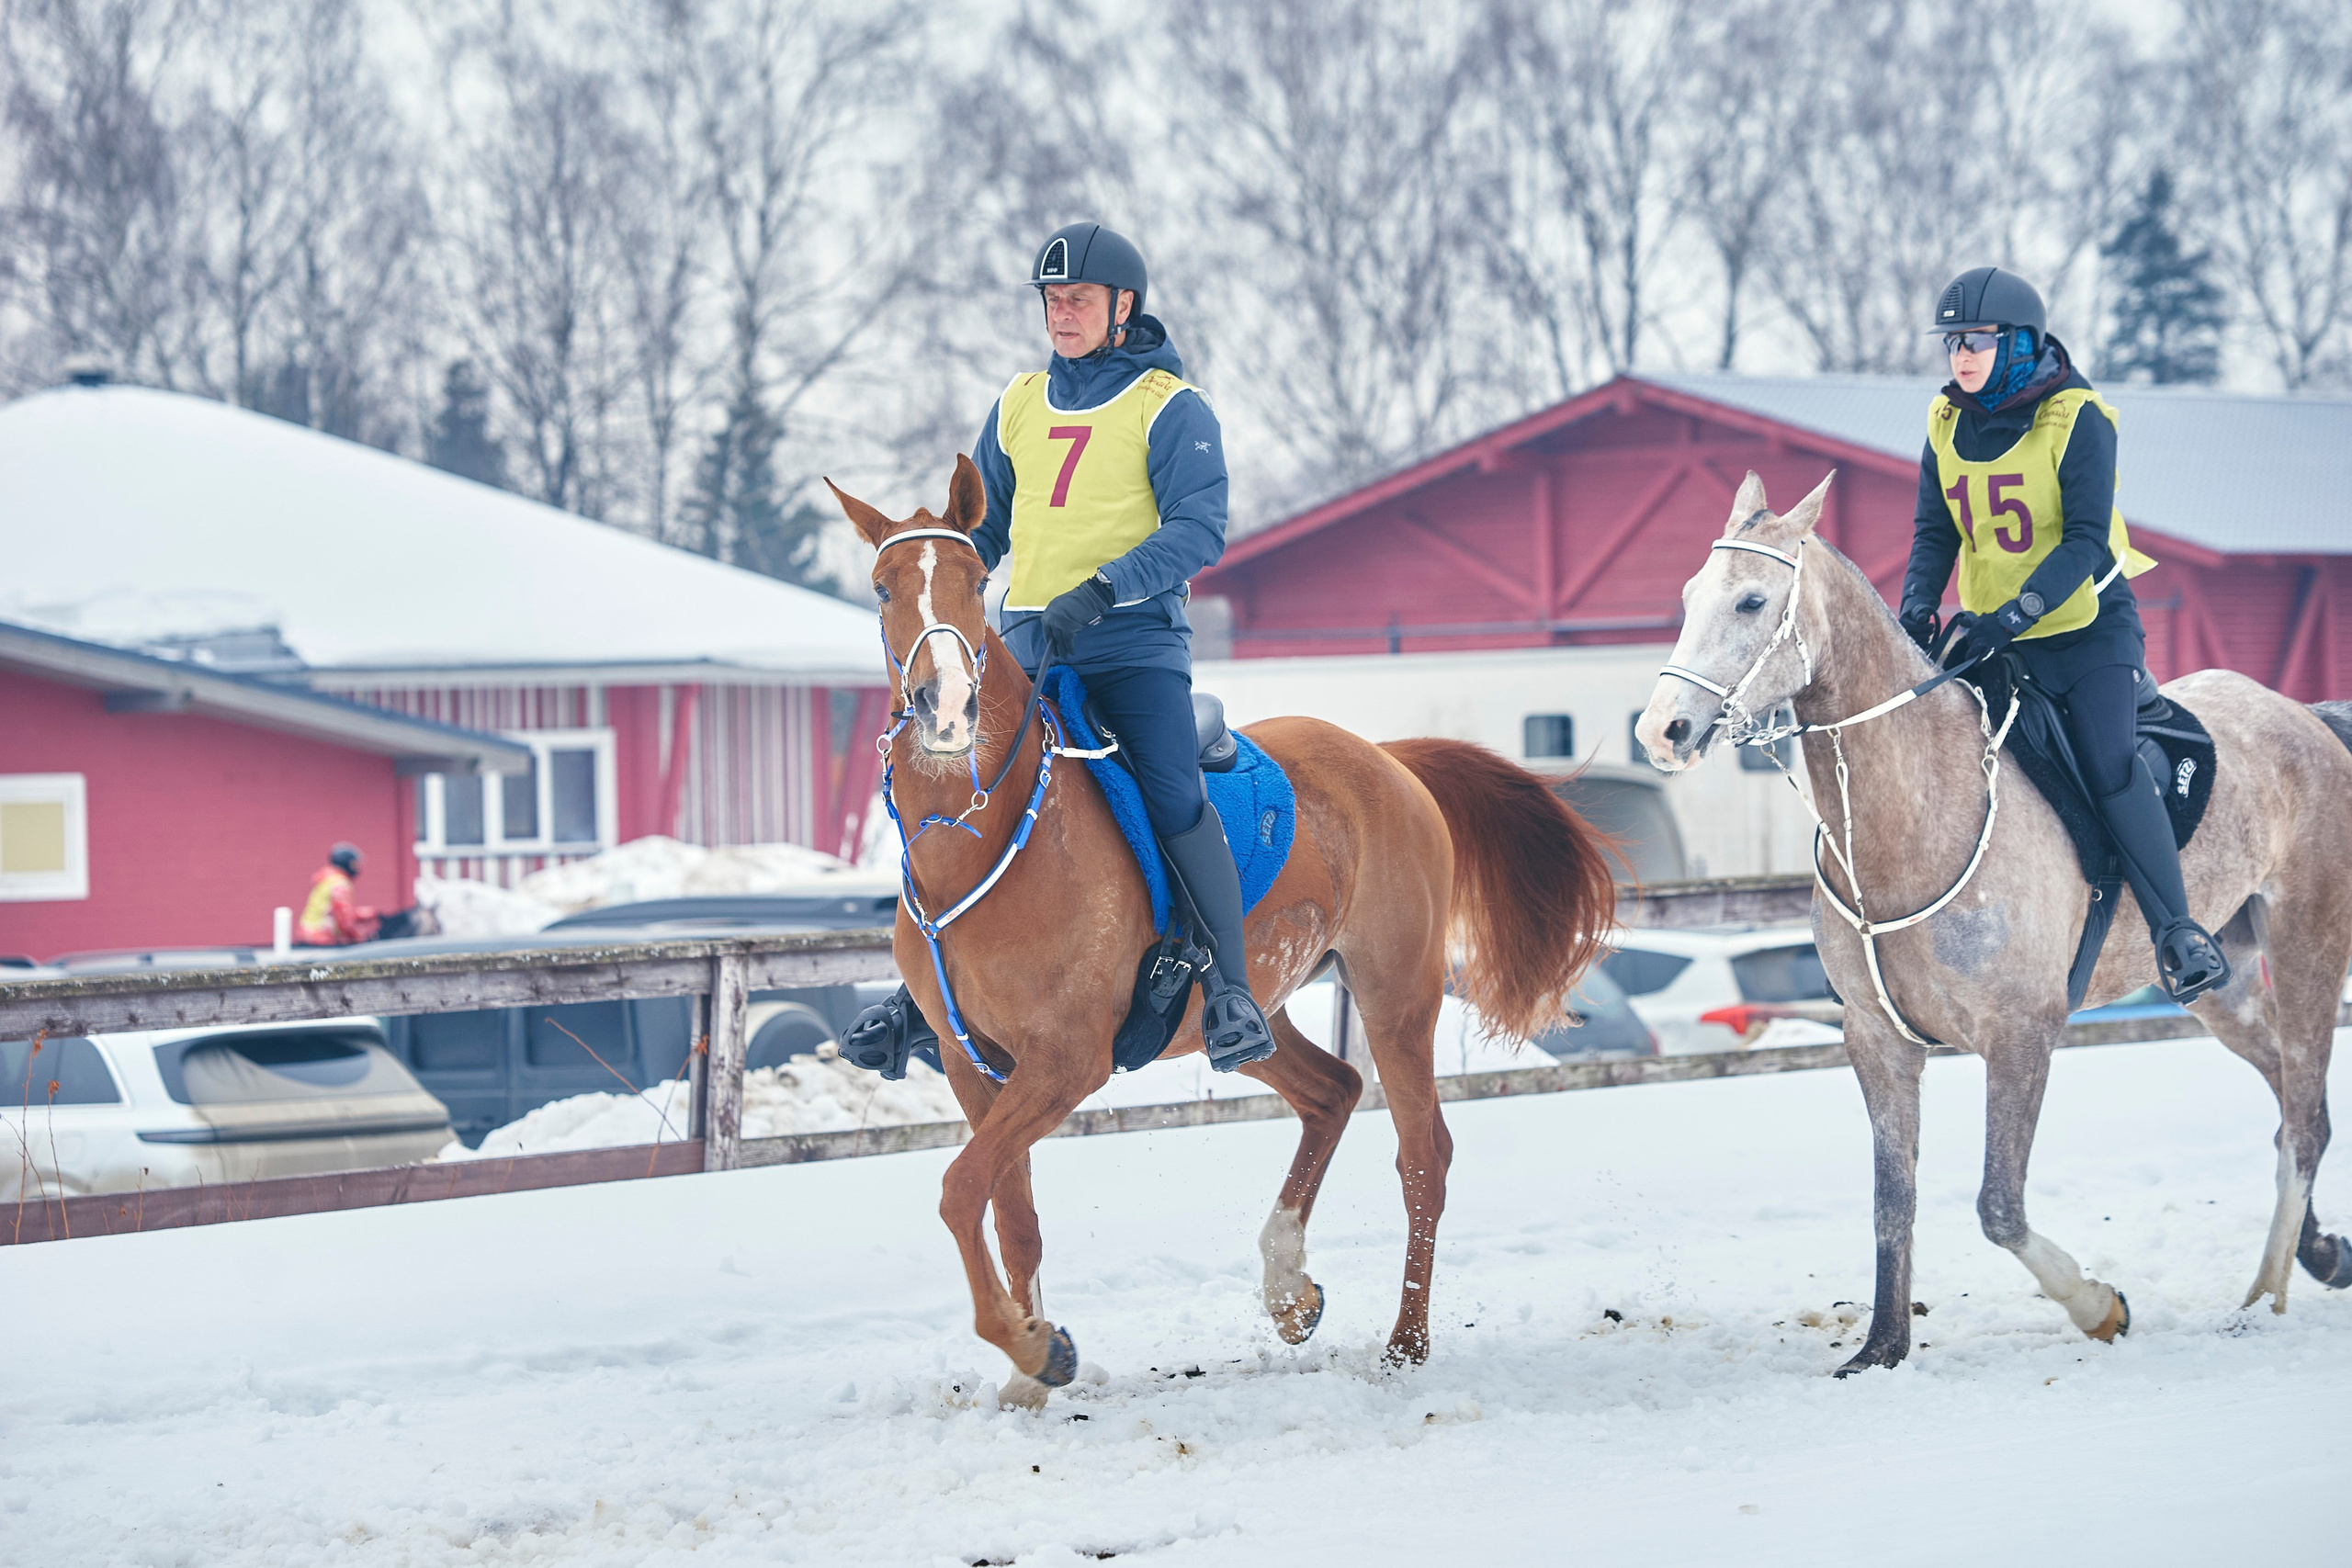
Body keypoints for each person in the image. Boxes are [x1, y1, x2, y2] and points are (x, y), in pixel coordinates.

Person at [847, 221, 1274, 1075]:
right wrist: (936, 566)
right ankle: (922, 995)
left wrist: (1108, 587)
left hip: (1135, 645)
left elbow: (1200, 529)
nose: (1061, 314)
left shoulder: (1170, 407)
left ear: (1123, 307)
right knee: (949, 782)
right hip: (1028, 645)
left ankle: (1231, 989)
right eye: (1050, 300)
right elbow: (988, 531)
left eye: (1077, 299)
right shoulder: (1016, 403)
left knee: (1170, 792)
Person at [1898, 265, 2229, 1004]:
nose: (1961, 356)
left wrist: (2017, 613)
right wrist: (1917, 605)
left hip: (2086, 631)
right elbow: (1933, 529)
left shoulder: (2078, 416)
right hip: (1993, 636)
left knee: (2108, 762)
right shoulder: (1945, 420)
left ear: (2019, 343)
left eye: (1977, 341)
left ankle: (2179, 930)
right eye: (1953, 342)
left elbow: (2086, 540)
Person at [297, 842, 380, 946]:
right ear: (348, 864)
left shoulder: (328, 879)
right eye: (355, 864)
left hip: (308, 936)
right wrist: (359, 941)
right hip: (321, 938)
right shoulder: (339, 884)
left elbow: (338, 912)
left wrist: (364, 914)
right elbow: (345, 921)